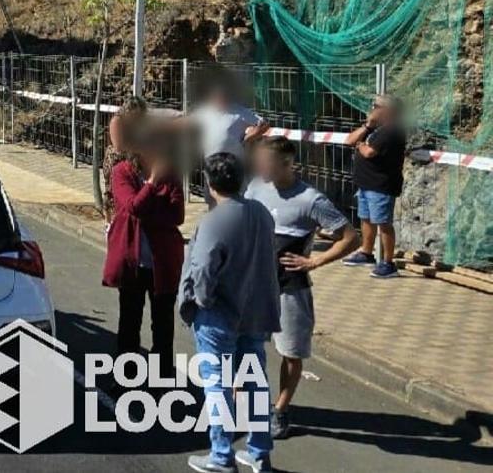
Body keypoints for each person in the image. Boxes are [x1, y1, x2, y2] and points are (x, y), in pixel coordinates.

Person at [246, 136, 358, 439]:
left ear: (286, 164)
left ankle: (280, 410)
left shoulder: (311, 199)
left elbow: (350, 237)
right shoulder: (256, 186)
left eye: (264, 161)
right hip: (255, 287)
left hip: (290, 290)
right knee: (246, 348)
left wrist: (316, 261)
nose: (258, 166)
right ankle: (244, 403)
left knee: (291, 353)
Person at [178, 152, 281, 473]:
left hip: (219, 316)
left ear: (209, 184)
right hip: (254, 312)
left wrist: (202, 302)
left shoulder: (214, 220)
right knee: (254, 381)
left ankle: (221, 455)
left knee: (217, 386)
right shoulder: (261, 213)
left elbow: (203, 268)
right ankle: (259, 453)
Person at [102, 140, 184, 377]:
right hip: (133, 262)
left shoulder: (171, 173)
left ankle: (162, 379)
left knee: (163, 328)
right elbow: (132, 206)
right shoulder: (122, 172)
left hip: (162, 264)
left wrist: (145, 207)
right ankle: (126, 378)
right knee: (129, 324)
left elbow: (176, 215)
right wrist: (152, 184)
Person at [341, 94, 407, 278]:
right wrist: (367, 126)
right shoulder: (376, 129)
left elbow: (369, 152)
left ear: (387, 111)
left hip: (381, 186)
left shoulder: (392, 131)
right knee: (366, 218)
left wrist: (361, 146)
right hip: (366, 184)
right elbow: (349, 140)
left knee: (383, 223)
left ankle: (388, 263)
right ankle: (366, 252)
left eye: (375, 106)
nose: (371, 108)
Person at [190, 83, 269, 207]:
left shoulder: (239, 111)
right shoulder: (204, 112)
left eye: (222, 96)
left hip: (233, 164)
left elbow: (263, 124)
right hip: (211, 164)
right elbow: (188, 121)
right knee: (212, 197)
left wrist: (249, 137)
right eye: (215, 97)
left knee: (236, 197)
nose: (218, 99)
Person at [103, 96, 149, 218]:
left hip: (131, 160)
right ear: (129, 111)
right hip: (117, 161)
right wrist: (139, 150)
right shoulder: (117, 121)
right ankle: (112, 221)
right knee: (113, 192)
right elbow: (119, 147)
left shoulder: (136, 123)